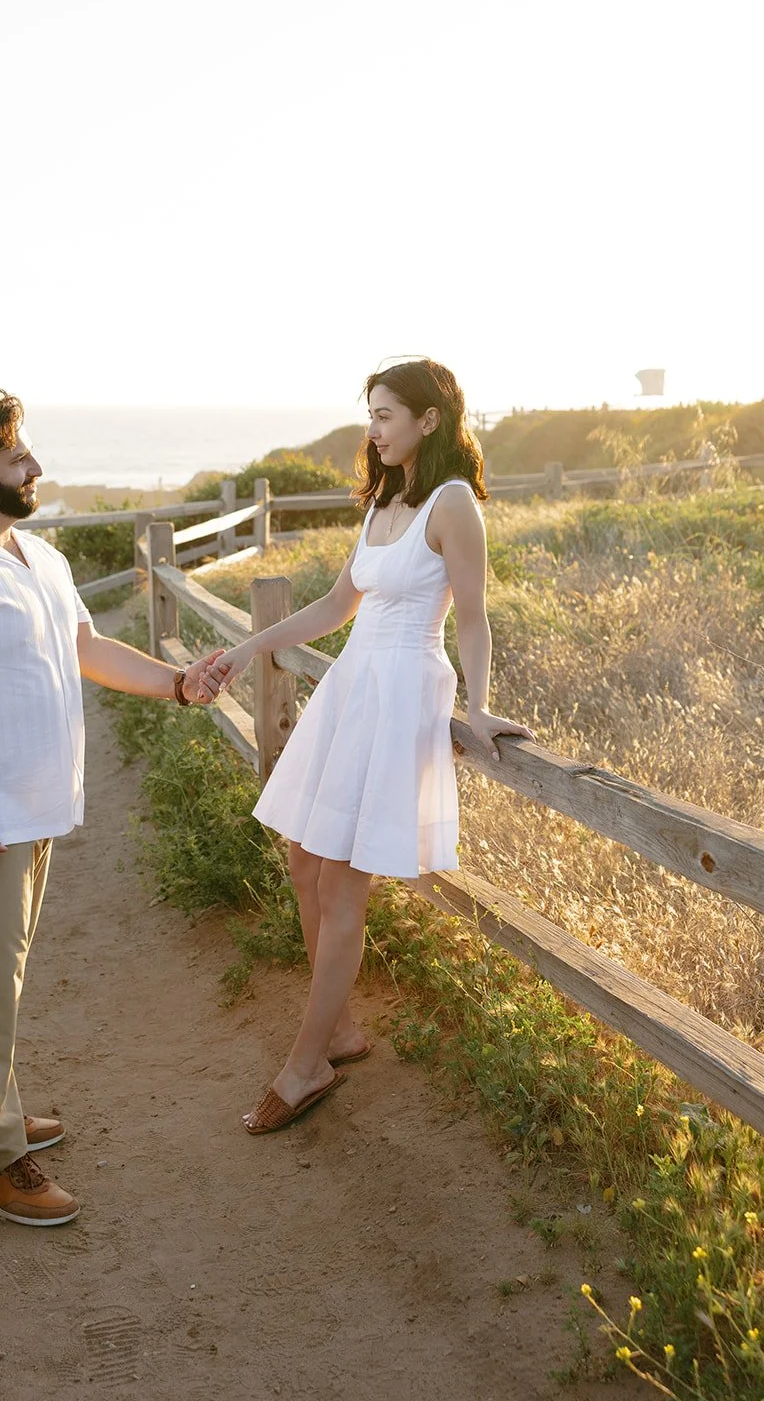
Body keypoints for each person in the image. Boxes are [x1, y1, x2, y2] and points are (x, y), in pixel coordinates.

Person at [0, 391, 223, 1225]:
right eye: (16, 457)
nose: (36, 468)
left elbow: (87, 650)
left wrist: (176, 684)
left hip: (29, 808)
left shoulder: (34, 557)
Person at [203, 359, 533, 1135]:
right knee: (302, 858)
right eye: (371, 414)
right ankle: (341, 1027)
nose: (373, 428)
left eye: (386, 414)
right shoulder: (386, 497)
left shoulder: (453, 503)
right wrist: (249, 650)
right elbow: (334, 604)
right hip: (355, 685)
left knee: (344, 883)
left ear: (428, 419)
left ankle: (303, 1065)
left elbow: (474, 618)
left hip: (402, 694)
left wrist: (479, 709)